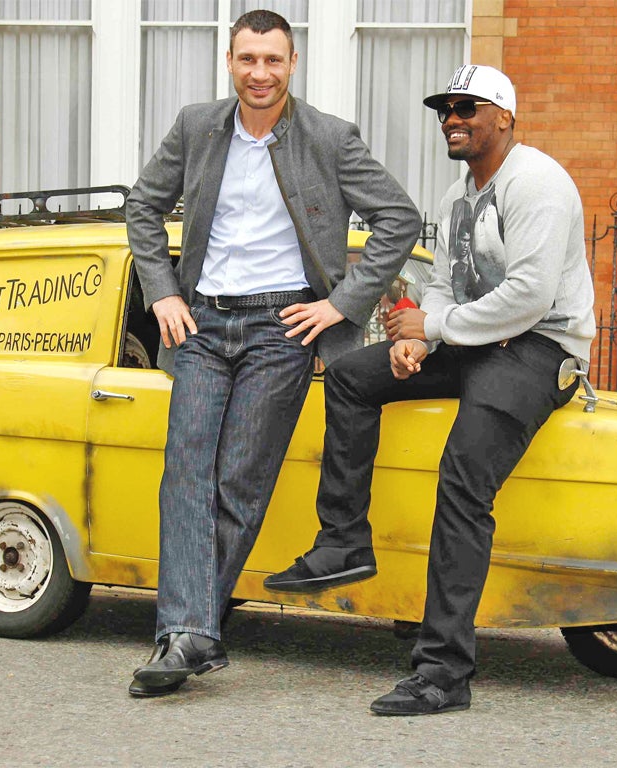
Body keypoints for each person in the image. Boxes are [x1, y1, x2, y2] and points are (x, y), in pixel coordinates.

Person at [264, 64, 596, 715]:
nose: (452, 118)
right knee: (355, 377)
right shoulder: (456, 196)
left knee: (463, 481)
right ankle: (345, 537)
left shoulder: (537, 185)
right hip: (472, 340)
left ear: (505, 115)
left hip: (537, 351)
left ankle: (444, 671)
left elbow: (529, 297)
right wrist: (419, 339)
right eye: (445, 109)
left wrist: (436, 324)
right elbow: (445, 285)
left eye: (467, 108)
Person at [125, 10, 421, 698]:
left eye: (274, 61)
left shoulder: (328, 137)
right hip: (199, 324)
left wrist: (340, 305)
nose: (260, 73)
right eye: (248, 59)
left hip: (280, 330)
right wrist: (162, 291)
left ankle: (186, 633)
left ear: (293, 65)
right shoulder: (197, 127)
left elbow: (397, 217)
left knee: (239, 482)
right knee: (185, 473)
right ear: (230, 61)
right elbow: (143, 207)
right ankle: (192, 632)